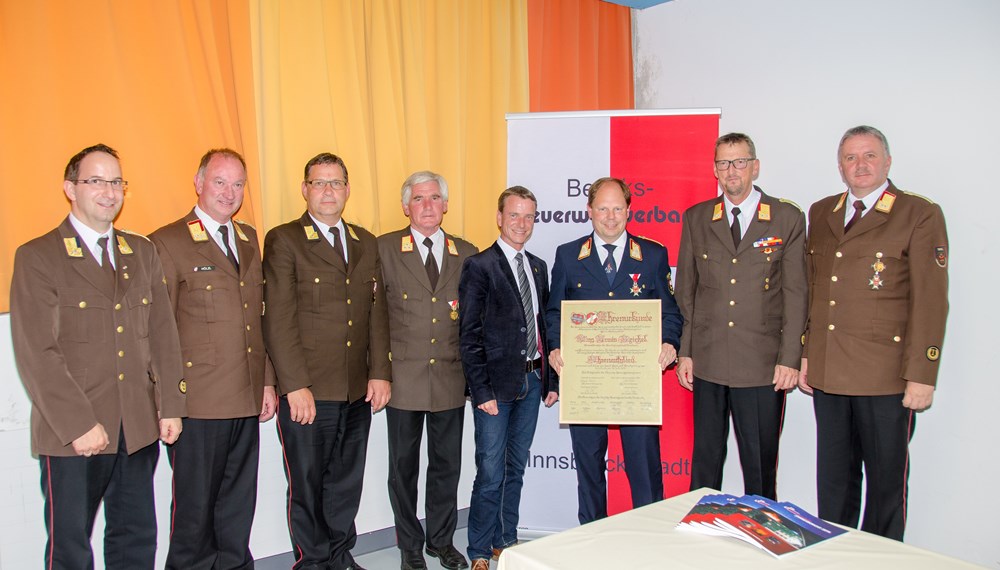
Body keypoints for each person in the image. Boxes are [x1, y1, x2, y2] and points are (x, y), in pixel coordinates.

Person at [10, 143, 186, 569]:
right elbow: (37, 353)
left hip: (137, 427)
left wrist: (171, 406)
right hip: (75, 435)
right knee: (71, 548)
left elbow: (163, 335)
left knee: (136, 539)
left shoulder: (139, 252)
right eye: (96, 181)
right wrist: (77, 424)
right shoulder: (39, 256)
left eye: (116, 182)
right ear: (70, 188)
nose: (109, 192)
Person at [799, 125, 949, 540]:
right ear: (840, 166)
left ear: (887, 161)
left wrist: (922, 374)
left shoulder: (917, 213)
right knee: (834, 487)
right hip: (829, 376)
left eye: (869, 155)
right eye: (850, 157)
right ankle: (835, 558)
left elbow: (931, 302)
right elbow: (815, 289)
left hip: (885, 378)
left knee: (885, 490)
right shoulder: (822, 211)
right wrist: (807, 354)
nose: (859, 165)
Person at [262, 152, 391, 570]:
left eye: (336, 183)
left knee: (345, 482)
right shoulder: (285, 240)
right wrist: (294, 385)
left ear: (348, 190)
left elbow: (376, 312)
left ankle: (339, 554)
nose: (328, 191)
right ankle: (313, 560)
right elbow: (278, 319)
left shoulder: (364, 241)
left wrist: (380, 373)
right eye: (319, 183)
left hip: (356, 389)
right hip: (310, 391)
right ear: (305, 190)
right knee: (308, 483)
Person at [149, 148, 277, 569]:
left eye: (238, 184)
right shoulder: (167, 242)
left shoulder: (247, 238)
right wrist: (167, 403)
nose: (229, 192)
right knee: (195, 514)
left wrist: (267, 382)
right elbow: (158, 331)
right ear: (199, 182)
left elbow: (259, 319)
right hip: (198, 403)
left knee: (238, 505)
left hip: (244, 395)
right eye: (220, 182)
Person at [674, 133, 807, 499]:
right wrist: (686, 351)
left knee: (760, 466)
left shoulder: (786, 217)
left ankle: (762, 539)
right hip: (709, 361)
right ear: (715, 169)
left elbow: (797, 293)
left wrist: (790, 359)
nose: (731, 171)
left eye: (739, 162)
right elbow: (687, 291)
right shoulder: (698, 217)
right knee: (705, 462)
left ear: (755, 166)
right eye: (723, 163)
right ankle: (700, 535)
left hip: (761, 366)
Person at [546, 176, 682, 524]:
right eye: (603, 209)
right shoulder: (568, 255)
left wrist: (669, 342)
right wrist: (556, 346)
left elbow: (669, 311)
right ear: (589, 211)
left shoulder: (652, 255)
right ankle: (593, 540)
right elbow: (554, 312)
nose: (610, 216)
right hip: (586, 382)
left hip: (635, 381)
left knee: (644, 468)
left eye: (617, 208)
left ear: (629, 210)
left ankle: (650, 540)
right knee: (589, 469)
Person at [378, 171, 477, 570]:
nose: (427, 206)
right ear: (406, 207)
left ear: (446, 204)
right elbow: (374, 316)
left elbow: (473, 319)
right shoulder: (384, 248)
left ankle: (441, 540)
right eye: (419, 199)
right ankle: (409, 546)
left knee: (446, 466)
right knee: (403, 469)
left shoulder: (466, 252)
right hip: (402, 378)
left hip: (451, 378)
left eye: (435, 198)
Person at [459, 186, 558, 570]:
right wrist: (479, 390)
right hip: (494, 391)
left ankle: (506, 540)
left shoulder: (538, 266)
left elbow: (544, 329)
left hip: (532, 383)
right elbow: (468, 336)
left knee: (515, 468)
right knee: (490, 471)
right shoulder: (479, 265)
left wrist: (550, 382)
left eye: (529, 216)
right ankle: (480, 551)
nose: (521, 223)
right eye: (514, 215)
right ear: (499, 217)